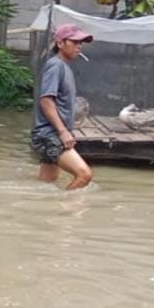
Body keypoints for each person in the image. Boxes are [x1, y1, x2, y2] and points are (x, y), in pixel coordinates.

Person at [31, 23, 94, 190]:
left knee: (46, 186)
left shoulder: (64, 67)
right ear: (60, 43)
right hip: (50, 135)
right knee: (84, 175)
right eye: (74, 42)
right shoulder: (55, 66)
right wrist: (63, 131)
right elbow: (46, 101)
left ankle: (44, 212)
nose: (79, 46)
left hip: (50, 135)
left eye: (81, 43)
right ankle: (64, 213)